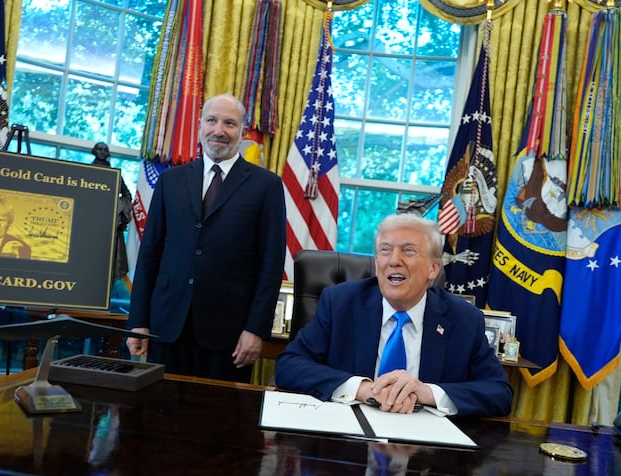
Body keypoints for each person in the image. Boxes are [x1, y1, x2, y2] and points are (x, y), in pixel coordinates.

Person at [275, 214, 513, 417]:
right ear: (377, 262)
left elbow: (499, 392)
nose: (394, 260)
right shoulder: (339, 303)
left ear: (433, 269)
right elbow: (289, 366)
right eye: (385, 251)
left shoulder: (464, 319)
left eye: (408, 251)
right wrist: (363, 389)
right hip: (346, 443)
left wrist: (426, 393)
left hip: (425, 453)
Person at [126, 93, 286, 383]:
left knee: (218, 423)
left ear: (242, 131)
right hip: (167, 326)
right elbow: (150, 254)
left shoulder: (267, 186)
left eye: (229, 123)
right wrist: (138, 321)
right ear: (200, 125)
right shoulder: (170, 181)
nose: (219, 130)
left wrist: (256, 329)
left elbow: (271, 265)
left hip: (230, 334)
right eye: (211, 121)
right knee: (156, 419)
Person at [90, 141, 133, 283]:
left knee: (109, 267)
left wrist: (119, 210)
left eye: (105, 149)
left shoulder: (115, 175)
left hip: (110, 226)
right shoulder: (87, 172)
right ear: (94, 151)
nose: (102, 152)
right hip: (90, 222)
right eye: (99, 149)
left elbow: (127, 195)